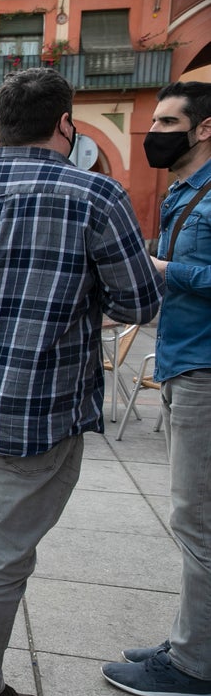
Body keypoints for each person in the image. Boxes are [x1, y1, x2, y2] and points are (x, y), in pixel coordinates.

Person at [0, 68, 162, 696]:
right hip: (39, 409)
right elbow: (138, 303)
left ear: (1, 123)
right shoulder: (95, 197)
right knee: (3, 553)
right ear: (65, 124)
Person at [102, 81, 211, 696]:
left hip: (205, 368)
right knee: (196, 519)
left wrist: (169, 270)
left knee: (197, 522)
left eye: (169, 121)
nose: (155, 133)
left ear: (204, 128)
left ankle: (195, 666)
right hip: (181, 361)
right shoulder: (180, 195)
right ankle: (194, 637)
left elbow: (179, 274)